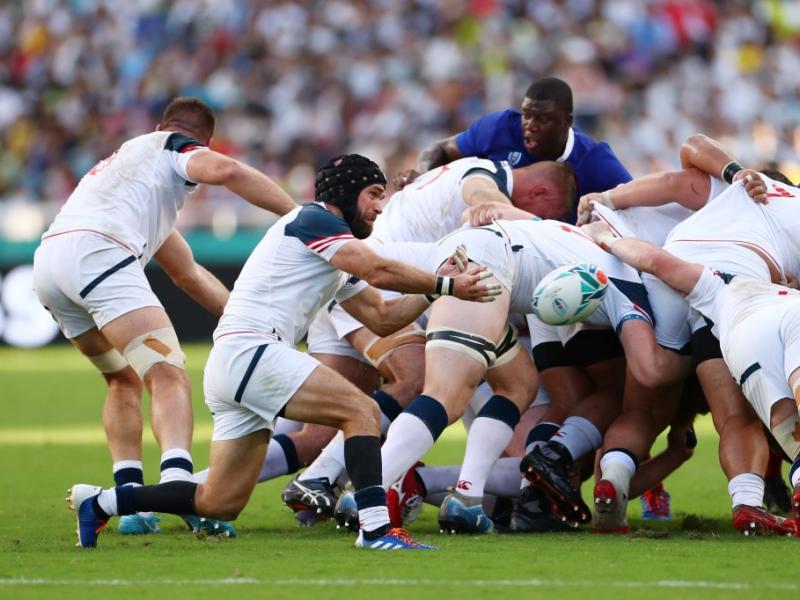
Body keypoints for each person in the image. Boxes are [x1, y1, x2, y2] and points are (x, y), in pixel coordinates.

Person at [66, 154, 500, 550]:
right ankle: (376, 530)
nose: (379, 208)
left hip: (235, 363)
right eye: (373, 195)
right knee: (362, 412)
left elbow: (383, 317)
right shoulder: (314, 219)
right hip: (253, 349)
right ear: (347, 194)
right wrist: (445, 285)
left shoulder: (330, 247)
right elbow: (377, 268)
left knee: (219, 501)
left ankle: (101, 503)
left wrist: (433, 289)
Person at [33, 96, 297, 536]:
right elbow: (228, 172)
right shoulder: (171, 146)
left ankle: (131, 498)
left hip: (50, 265)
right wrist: (297, 213)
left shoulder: (132, 184)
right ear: (203, 142)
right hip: (99, 252)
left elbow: (189, 275)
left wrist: (246, 320)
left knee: (122, 379)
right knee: (169, 376)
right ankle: (179, 492)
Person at [279, 157, 576, 522]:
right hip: (379, 279)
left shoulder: (453, 171)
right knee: (425, 383)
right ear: (542, 193)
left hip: (380, 284)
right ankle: (356, 484)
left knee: (514, 383)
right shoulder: (486, 185)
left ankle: (210, 483)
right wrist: (549, 229)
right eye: (558, 212)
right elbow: (483, 203)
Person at [579, 134, 800, 534]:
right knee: (750, 408)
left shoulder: (740, 188)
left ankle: (620, 477)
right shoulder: (772, 199)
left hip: (671, 271)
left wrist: (607, 203)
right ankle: (752, 497)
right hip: (739, 288)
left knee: (666, 406)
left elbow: (685, 165)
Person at [393, 77, 631, 222]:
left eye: (543, 119)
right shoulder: (500, 128)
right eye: (527, 115)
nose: (530, 126)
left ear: (566, 122)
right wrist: (422, 175)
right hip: (481, 228)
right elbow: (442, 148)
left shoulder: (596, 161)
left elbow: (637, 205)